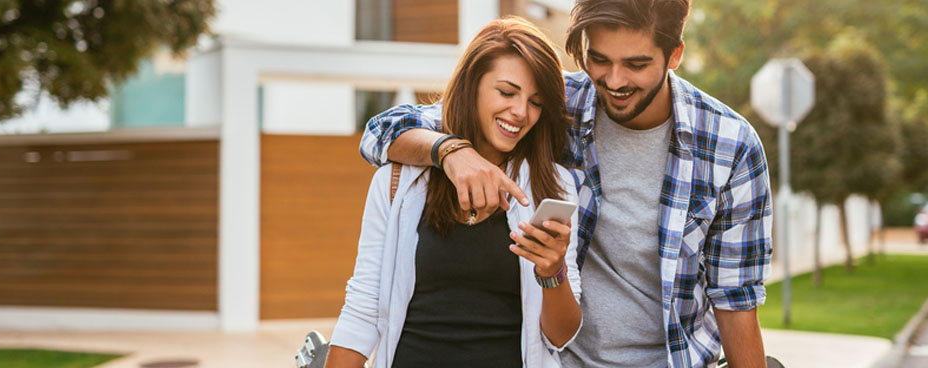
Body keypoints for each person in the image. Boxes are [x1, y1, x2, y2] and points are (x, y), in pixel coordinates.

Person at [358, 1, 773, 367]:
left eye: (636, 64)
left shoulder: (729, 146)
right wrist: (451, 151)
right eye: (599, 59)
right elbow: (382, 131)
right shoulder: (553, 103)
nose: (613, 80)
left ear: (675, 54)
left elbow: (735, 300)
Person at [325, 17, 582, 368]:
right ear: (471, 86)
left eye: (536, 102)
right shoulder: (399, 179)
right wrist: (452, 152)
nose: (520, 112)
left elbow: (560, 336)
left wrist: (553, 272)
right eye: (506, 92)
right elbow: (362, 309)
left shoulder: (553, 186)